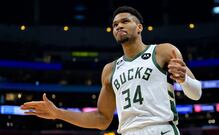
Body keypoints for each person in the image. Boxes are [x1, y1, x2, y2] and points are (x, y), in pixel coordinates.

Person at [21, 6, 202, 135]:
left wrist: (184, 79)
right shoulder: (110, 70)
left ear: (139, 27)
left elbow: (196, 94)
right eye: (115, 24)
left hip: (161, 129)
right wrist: (58, 113)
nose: (118, 26)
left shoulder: (162, 51)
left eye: (125, 21)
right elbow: (102, 119)